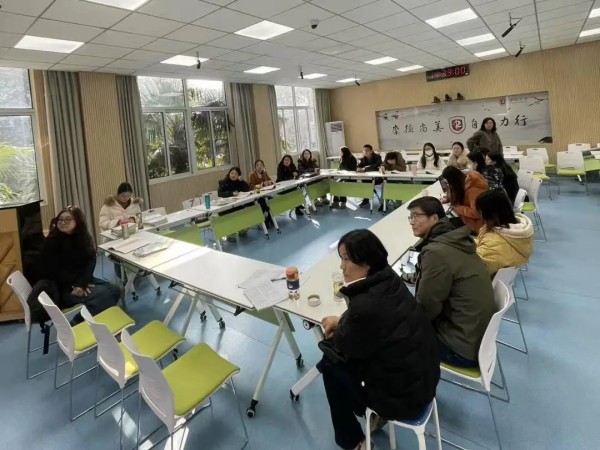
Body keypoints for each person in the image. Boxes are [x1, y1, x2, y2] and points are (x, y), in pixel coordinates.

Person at [319, 229, 440, 450]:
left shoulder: (365, 307)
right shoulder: (389, 278)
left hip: (403, 400)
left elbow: (347, 345)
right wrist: (343, 321)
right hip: (425, 379)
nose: (342, 266)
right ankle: (361, 418)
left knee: (329, 364)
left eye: (346, 259)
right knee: (341, 363)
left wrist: (341, 327)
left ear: (366, 262)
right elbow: (374, 323)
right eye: (341, 258)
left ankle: (353, 440)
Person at [406, 197, 496, 368]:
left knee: (391, 331)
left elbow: (426, 307)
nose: (412, 222)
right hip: (475, 338)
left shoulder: (436, 252)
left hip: (459, 348)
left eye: (416, 216)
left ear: (434, 218)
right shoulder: (456, 239)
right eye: (411, 217)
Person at [28, 206, 120, 324]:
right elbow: (51, 272)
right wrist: (78, 285)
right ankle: (98, 326)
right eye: (60, 219)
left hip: (80, 280)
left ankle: (79, 322)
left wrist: (83, 283)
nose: (63, 222)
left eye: (68, 219)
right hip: (63, 288)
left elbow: (91, 260)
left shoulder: (83, 237)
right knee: (102, 294)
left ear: (78, 222)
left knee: (115, 290)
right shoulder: (52, 242)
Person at [476, 190, 534, 277]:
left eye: (481, 213)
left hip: (487, 280)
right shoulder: (519, 232)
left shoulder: (493, 242)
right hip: (499, 276)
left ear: (491, 215)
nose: (480, 216)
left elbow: (476, 270)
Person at [218, 167, 274, 237]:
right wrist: (231, 193)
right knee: (233, 214)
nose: (233, 175)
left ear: (238, 175)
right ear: (229, 174)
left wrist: (242, 181)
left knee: (252, 205)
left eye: (235, 174)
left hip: (238, 204)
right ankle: (231, 234)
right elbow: (220, 193)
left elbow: (247, 189)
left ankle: (242, 229)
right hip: (227, 207)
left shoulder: (239, 182)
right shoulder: (224, 182)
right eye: (232, 173)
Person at [441, 165, 488, 233]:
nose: (448, 185)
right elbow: (457, 192)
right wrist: (448, 199)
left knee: (444, 226)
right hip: (464, 217)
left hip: (475, 224)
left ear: (454, 181)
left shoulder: (474, 190)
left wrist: (457, 207)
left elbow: (476, 213)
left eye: (448, 183)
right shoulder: (461, 182)